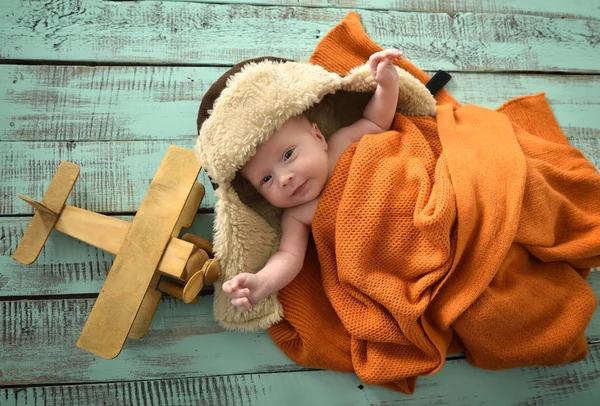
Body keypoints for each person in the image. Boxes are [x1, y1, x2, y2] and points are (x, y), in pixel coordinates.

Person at [222, 49, 403, 311]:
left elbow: (377, 121)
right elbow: (289, 257)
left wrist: (386, 85)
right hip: (381, 255)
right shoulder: (296, 216)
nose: (284, 178)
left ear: (318, 137)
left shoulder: (341, 143)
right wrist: (262, 282)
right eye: (266, 179)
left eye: (288, 154)